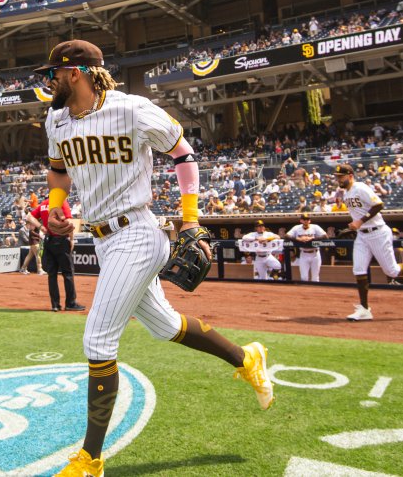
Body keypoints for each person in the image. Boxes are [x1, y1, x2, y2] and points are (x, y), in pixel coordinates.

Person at [38, 40, 273, 477]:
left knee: (97, 340)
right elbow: (59, 170)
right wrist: (57, 205)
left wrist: (190, 220)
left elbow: (183, 152)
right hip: (102, 238)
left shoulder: (132, 109)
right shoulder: (56, 119)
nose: (48, 80)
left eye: (53, 72)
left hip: (139, 233)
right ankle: (246, 359)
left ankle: (90, 460)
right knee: (167, 327)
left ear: (76, 73)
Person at [336, 163, 403, 322]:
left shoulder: (360, 187)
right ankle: (364, 309)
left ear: (350, 175)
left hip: (378, 232)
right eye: (337, 177)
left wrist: (360, 221)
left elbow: (379, 204)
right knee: (358, 270)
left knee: (392, 271)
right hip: (362, 236)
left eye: (341, 176)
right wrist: (354, 226)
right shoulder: (346, 193)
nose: (339, 179)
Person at [31, 195, 83, 311]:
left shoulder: (44, 204)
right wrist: (71, 239)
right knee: (68, 273)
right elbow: (69, 222)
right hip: (61, 240)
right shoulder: (61, 202)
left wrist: (40, 226)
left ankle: (55, 305)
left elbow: (29, 217)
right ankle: (70, 303)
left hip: (48, 241)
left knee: (52, 275)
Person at [285, 213, 327, 282]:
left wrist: (312, 238)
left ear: (310, 221)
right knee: (304, 278)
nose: (306, 221)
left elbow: (325, 236)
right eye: (304, 219)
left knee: (315, 278)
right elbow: (286, 236)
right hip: (304, 254)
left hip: (315, 253)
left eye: (307, 219)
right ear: (301, 221)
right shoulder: (297, 228)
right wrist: (297, 238)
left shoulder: (315, 227)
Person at [19, 204, 47, 275]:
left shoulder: (35, 220)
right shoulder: (33, 220)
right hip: (35, 242)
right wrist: (40, 236)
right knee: (38, 256)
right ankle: (40, 270)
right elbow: (32, 231)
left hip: (34, 242)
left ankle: (23, 269)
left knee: (29, 256)